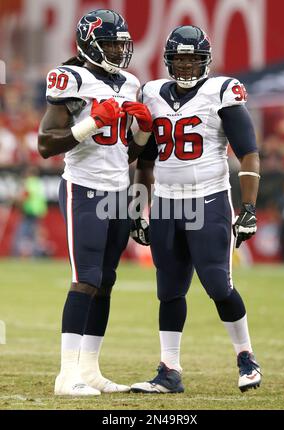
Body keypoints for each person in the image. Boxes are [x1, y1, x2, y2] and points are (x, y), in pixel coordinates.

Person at [129, 25, 262, 393]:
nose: (186, 65)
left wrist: (248, 208)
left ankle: (246, 357)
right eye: (180, 58)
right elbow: (145, 161)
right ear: (169, 60)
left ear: (205, 59)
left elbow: (248, 151)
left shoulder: (221, 92)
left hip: (208, 199)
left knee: (218, 284)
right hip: (167, 203)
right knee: (169, 290)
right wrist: (139, 209)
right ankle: (169, 370)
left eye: (192, 58)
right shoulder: (152, 93)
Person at [38, 9, 152, 396]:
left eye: (121, 44)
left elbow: (126, 155)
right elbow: (45, 144)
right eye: (109, 44)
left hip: (118, 190)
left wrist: (142, 134)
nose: (118, 51)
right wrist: (91, 123)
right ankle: (66, 374)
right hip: (83, 188)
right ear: (88, 44)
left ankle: (90, 370)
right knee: (85, 279)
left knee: (105, 281)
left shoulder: (132, 83)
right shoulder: (71, 78)